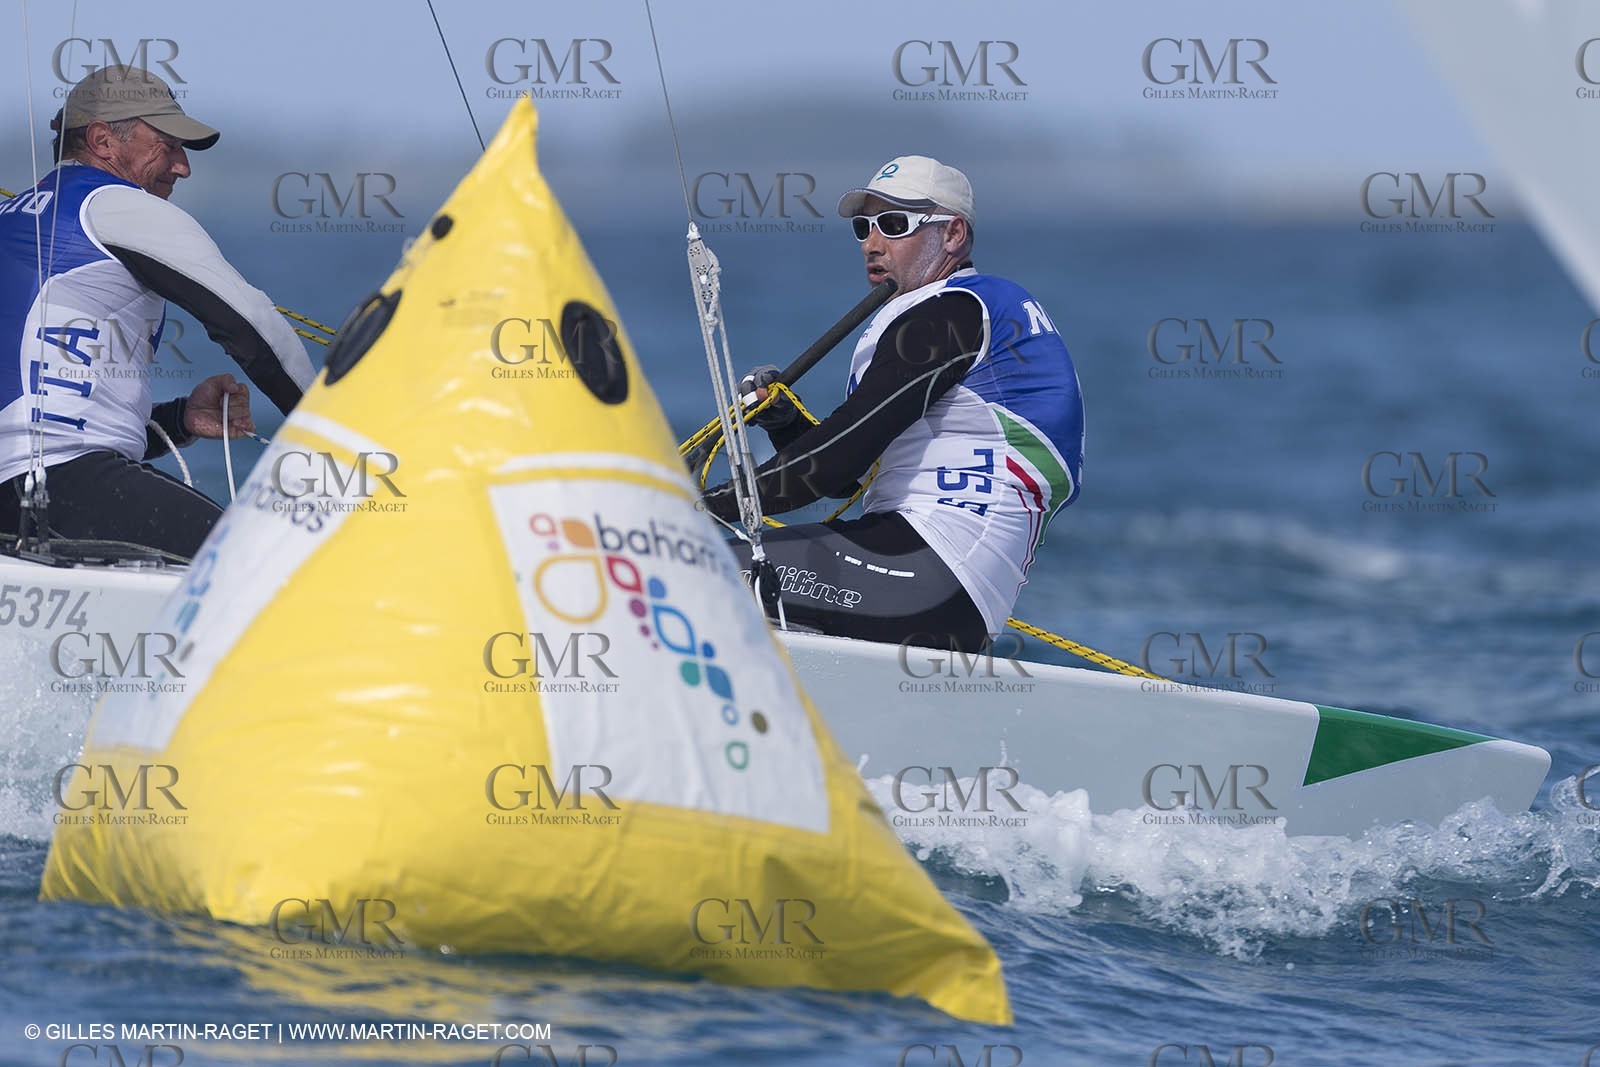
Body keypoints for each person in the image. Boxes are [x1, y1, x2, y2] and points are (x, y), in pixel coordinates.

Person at [702, 155, 1084, 653]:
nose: (872, 243)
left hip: (929, 574)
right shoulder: (959, 315)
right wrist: (786, 421)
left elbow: (831, 461)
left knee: (674, 566)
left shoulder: (952, 313)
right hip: (929, 583)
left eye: (894, 224)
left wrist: (692, 511)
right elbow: (845, 478)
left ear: (952, 235)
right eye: (863, 226)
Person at [0, 65, 314, 559]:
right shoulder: (115, 206)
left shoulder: (14, 216)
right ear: (103, 140)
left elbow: (42, 406)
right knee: (263, 568)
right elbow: (250, 325)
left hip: (24, 489)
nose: (182, 166)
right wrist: (336, 434)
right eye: (167, 145)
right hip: (54, 485)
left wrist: (180, 420)